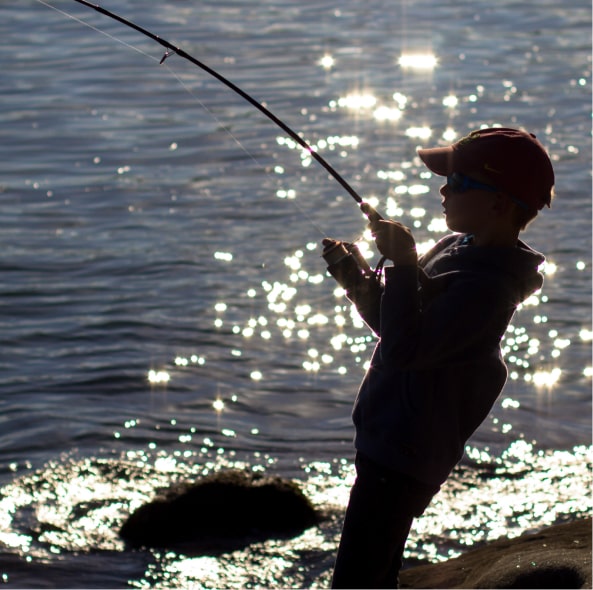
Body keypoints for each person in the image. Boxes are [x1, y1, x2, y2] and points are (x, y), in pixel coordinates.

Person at [324, 127, 555, 589]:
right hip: (385, 436)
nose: (444, 190)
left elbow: (406, 350)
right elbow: (403, 329)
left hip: (406, 453)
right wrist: (358, 281)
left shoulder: (489, 290)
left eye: (459, 182)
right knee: (375, 573)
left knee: (355, 578)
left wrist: (406, 263)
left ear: (500, 203)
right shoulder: (456, 247)